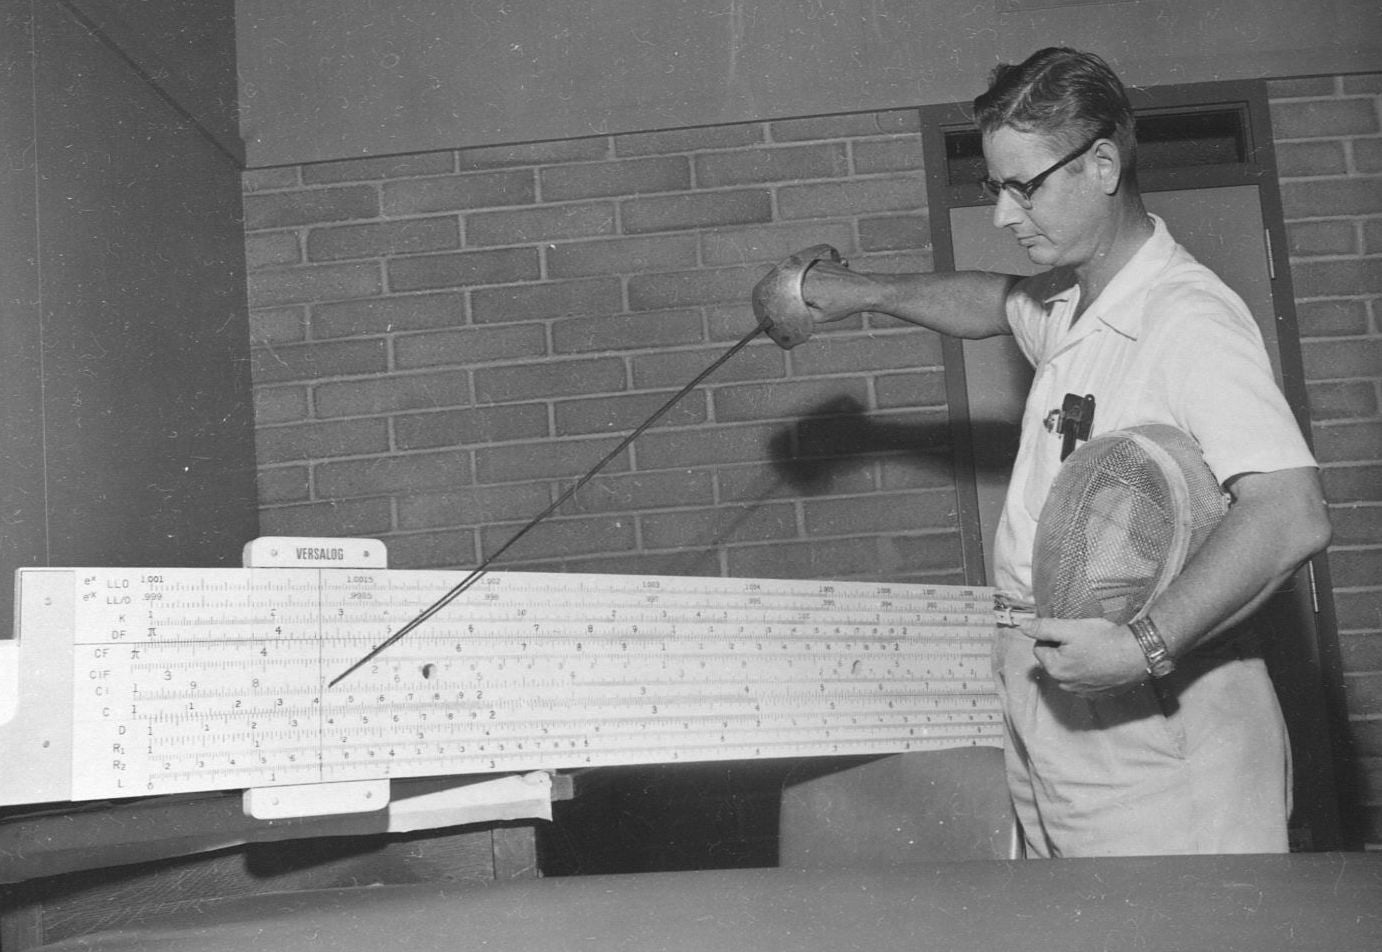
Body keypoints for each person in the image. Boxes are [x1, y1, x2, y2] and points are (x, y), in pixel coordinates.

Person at [791, 47, 1332, 857]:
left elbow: (1290, 515)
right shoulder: (1078, 300)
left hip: (1155, 717)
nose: (1007, 216)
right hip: (1061, 701)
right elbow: (994, 302)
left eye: (1025, 186)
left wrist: (1141, 648)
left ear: (1103, 163)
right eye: (994, 188)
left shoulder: (1186, 320)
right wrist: (861, 292)